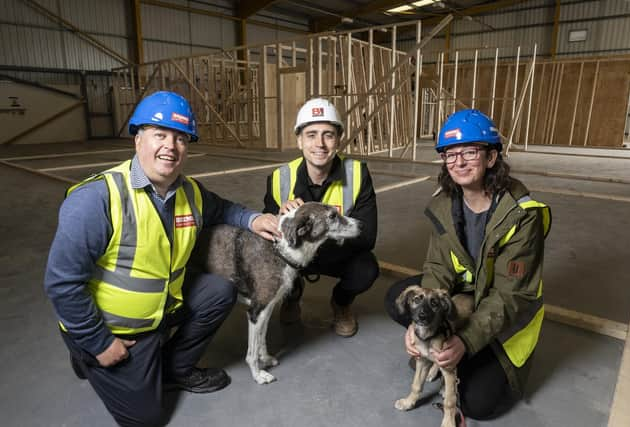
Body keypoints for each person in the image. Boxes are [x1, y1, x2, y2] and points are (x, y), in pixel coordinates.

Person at [44, 91, 280, 427]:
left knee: (219, 291)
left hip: (161, 310)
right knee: (146, 419)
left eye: (181, 138)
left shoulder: (190, 192)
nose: (170, 146)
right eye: (160, 134)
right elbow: (61, 282)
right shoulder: (97, 199)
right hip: (117, 328)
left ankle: (175, 369)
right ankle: (85, 354)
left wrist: (254, 219)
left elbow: (224, 209)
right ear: (137, 139)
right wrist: (98, 342)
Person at [384, 109, 551, 420]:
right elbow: (437, 266)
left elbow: (509, 296)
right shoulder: (445, 203)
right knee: (397, 299)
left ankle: (464, 353)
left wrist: (465, 340)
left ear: (491, 157)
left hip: (507, 313)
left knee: (478, 404)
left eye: (469, 152)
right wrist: (417, 323)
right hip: (466, 298)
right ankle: (443, 349)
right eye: (450, 154)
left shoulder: (521, 213)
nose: (458, 163)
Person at [263, 98, 379, 337]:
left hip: (336, 254)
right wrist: (283, 218)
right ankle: (292, 294)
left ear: (338, 139)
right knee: (273, 256)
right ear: (299, 140)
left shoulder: (357, 174)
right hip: (295, 253)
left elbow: (367, 236)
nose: (320, 144)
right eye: (311, 134)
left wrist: (317, 233)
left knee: (366, 268)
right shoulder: (279, 177)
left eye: (328, 134)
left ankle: (341, 303)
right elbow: (268, 235)